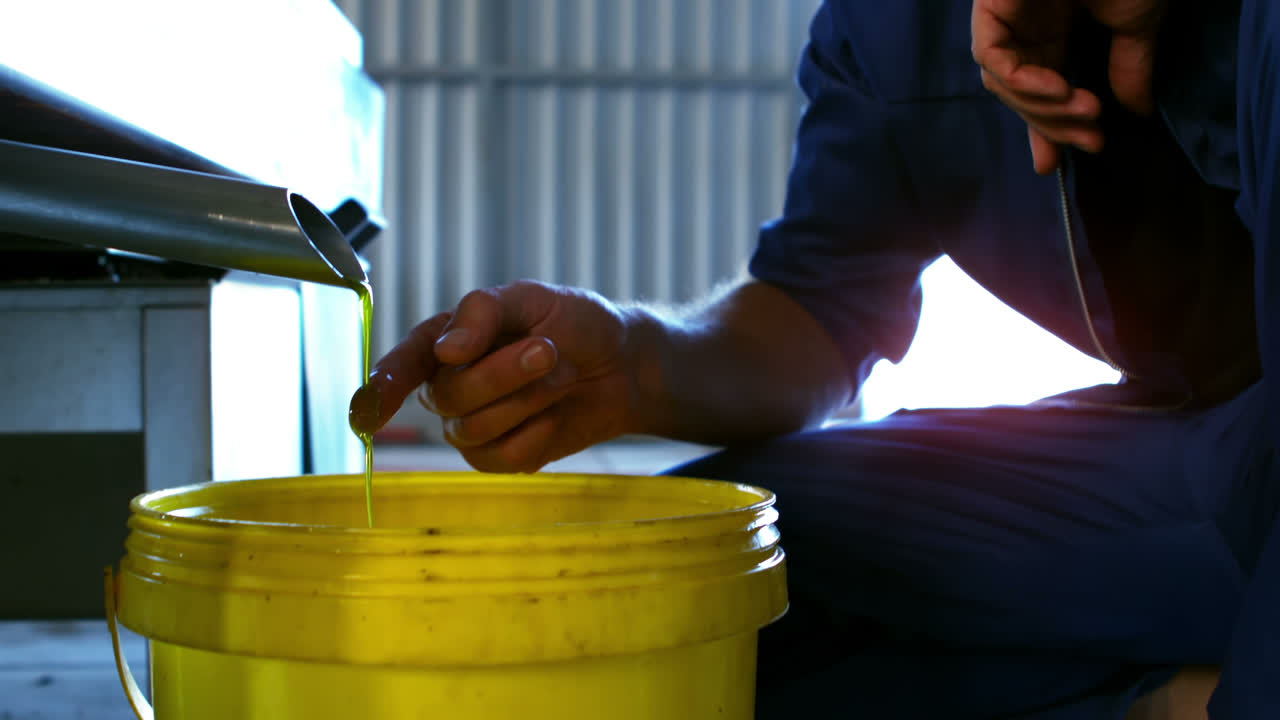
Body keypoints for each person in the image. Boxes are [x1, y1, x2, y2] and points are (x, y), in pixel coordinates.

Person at [349, 0, 1279, 716]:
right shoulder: (882, 35)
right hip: (1187, 456)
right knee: (710, 579)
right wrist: (637, 362)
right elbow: (820, 305)